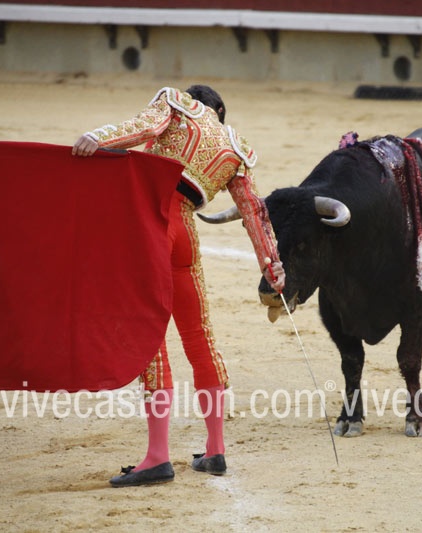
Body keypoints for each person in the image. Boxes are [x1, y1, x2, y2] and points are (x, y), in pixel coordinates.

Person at [72, 85, 285, 487]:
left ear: (197, 101)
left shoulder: (178, 103)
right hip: (185, 231)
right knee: (199, 336)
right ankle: (215, 449)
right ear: (220, 109)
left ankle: (157, 457)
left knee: (151, 335)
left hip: (151, 221)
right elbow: (254, 211)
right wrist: (272, 265)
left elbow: (143, 127)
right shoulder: (236, 149)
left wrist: (99, 137)